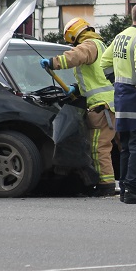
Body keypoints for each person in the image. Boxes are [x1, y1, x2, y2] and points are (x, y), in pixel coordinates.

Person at [40, 17, 116, 196]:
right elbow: (94, 77)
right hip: (111, 104)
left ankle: (106, 185)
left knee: (99, 148)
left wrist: (53, 63)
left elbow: (76, 56)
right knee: (125, 147)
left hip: (101, 107)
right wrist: (77, 88)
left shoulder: (89, 45)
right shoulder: (100, 45)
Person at [100, 3, 136, 204]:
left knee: (127, 147)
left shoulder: (120, 36)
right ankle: (133, 189)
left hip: (121, 99)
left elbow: (104, 62)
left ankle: (125, 189)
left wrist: (116, 81)